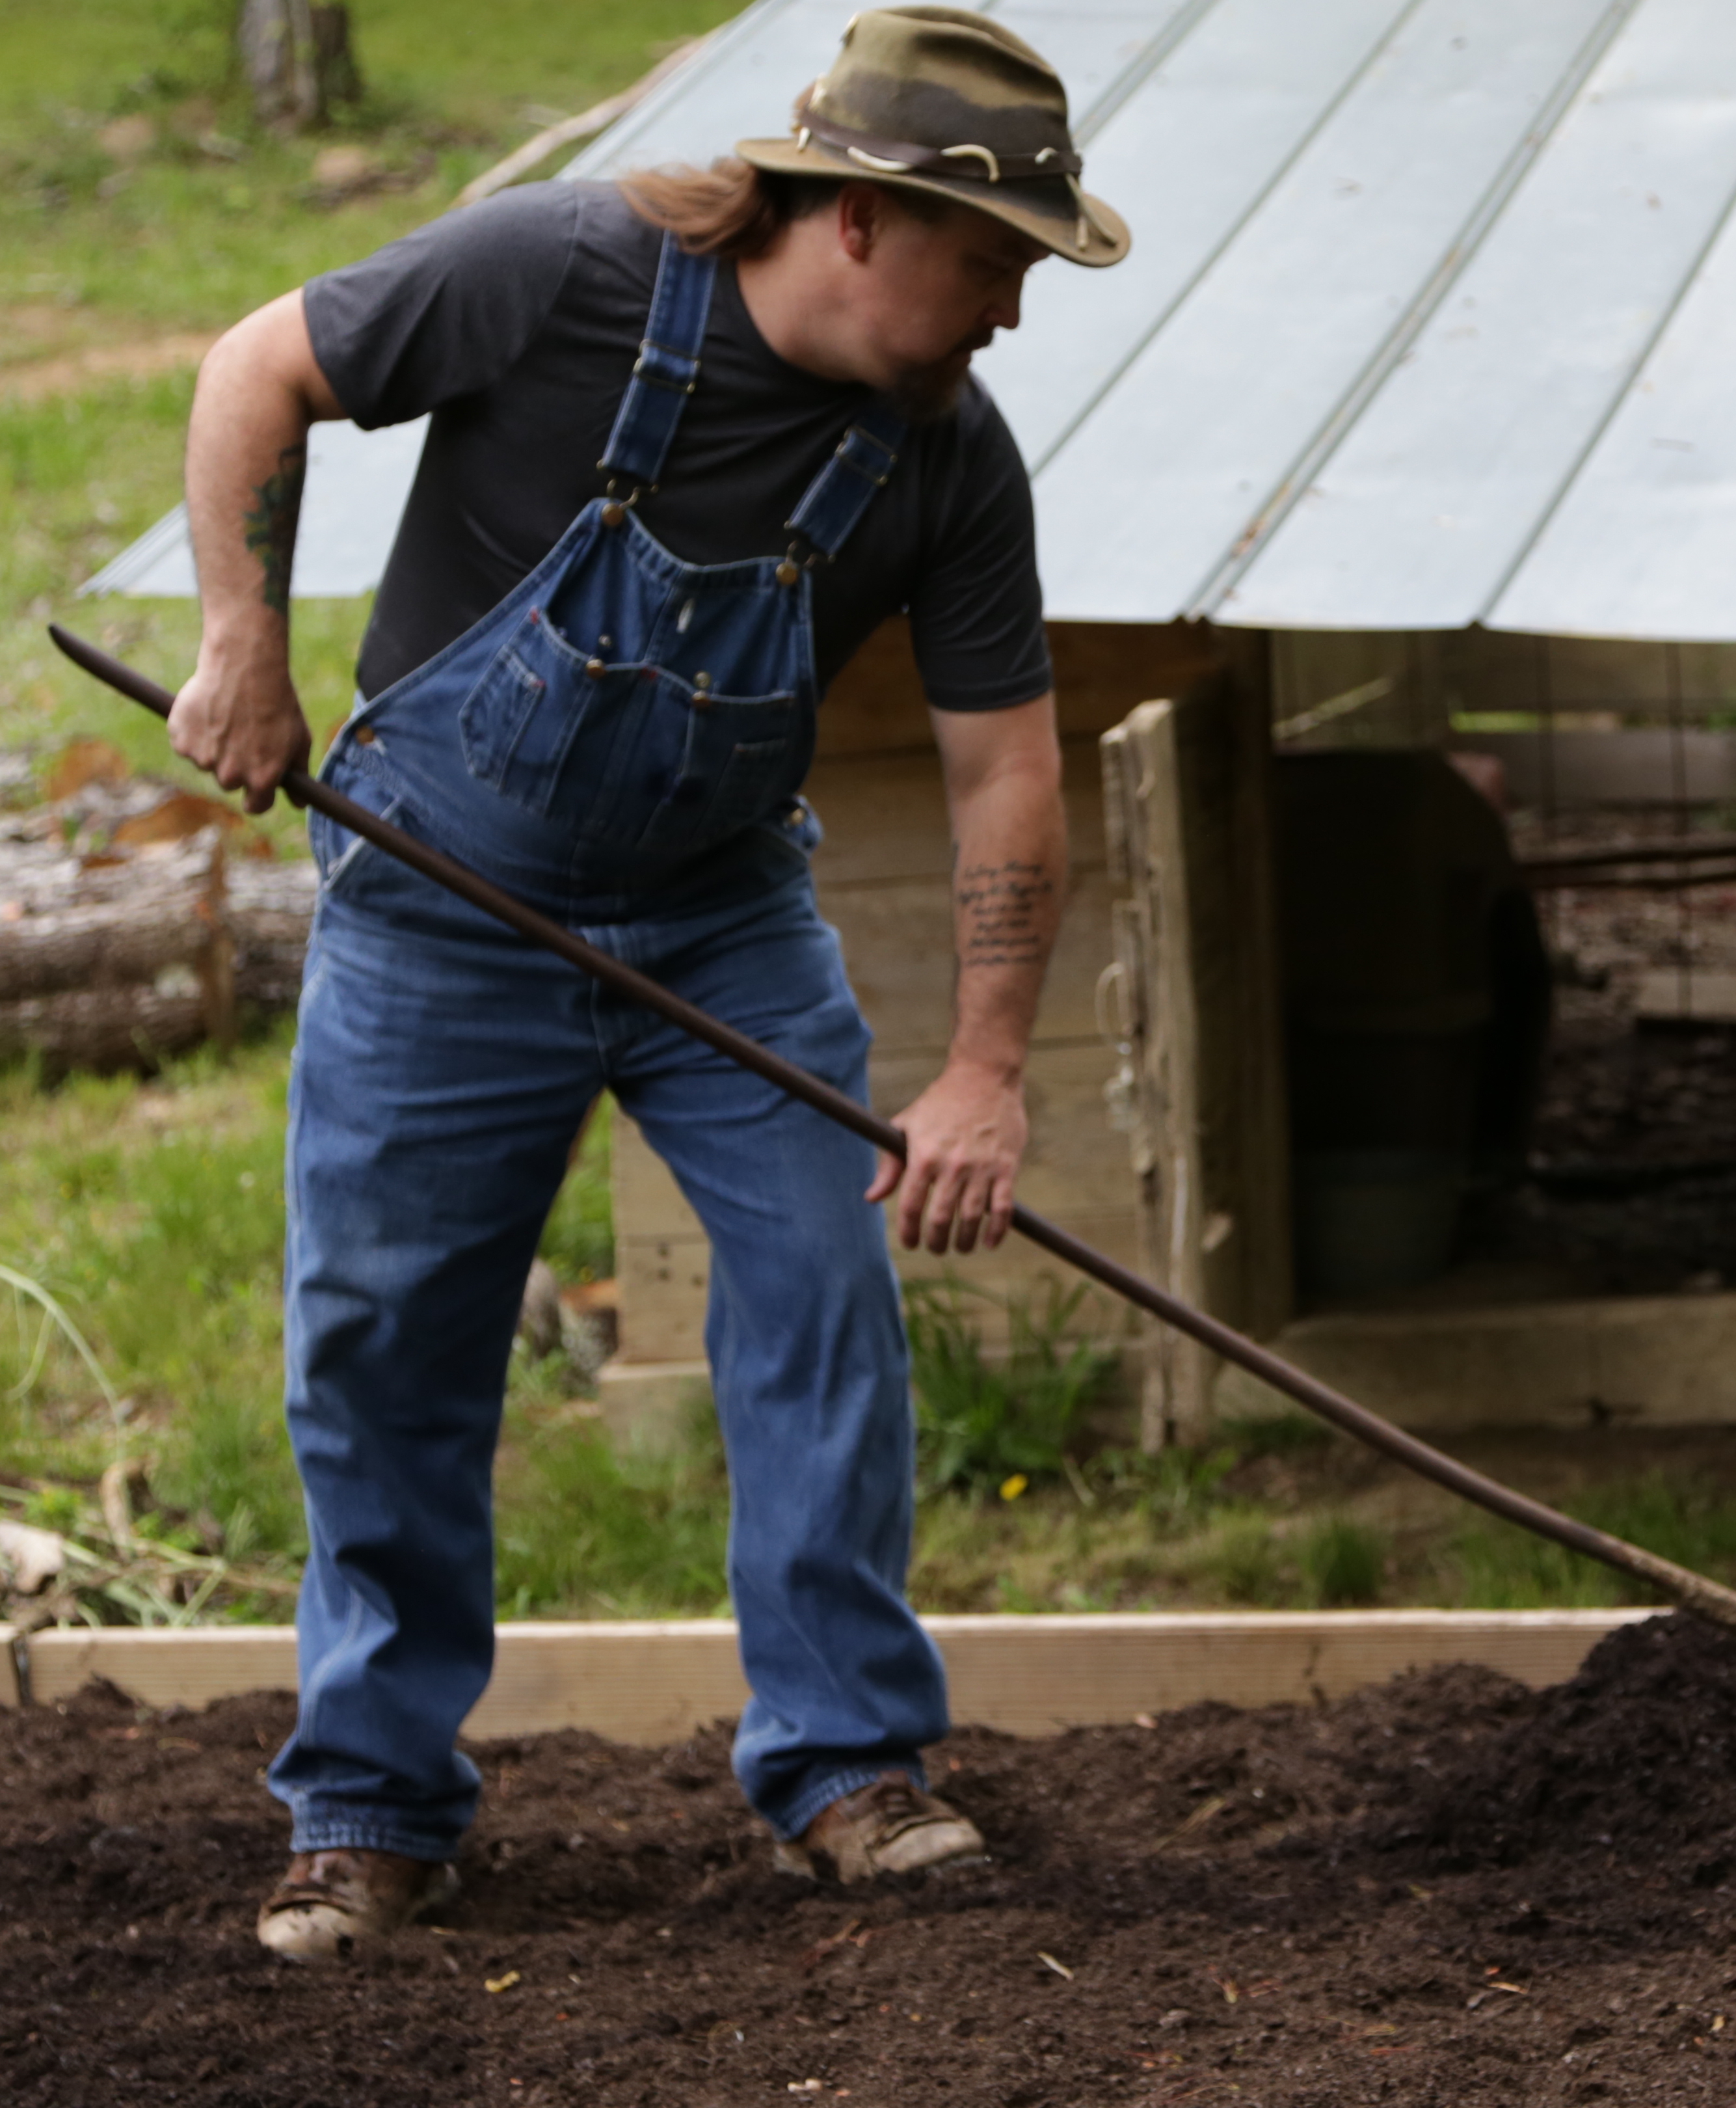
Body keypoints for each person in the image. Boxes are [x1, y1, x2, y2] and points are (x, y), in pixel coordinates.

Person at [157, 7, 1130, 1963]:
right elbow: (258, 365)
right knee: (384, 1350)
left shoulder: (946, 458)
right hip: (448, 920)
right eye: (995, 261)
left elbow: (1005, 761)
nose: (1012, 315)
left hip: (721, 929)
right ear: (861, 217)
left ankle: (849, 1764)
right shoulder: (555, 277)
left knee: (820, 1300)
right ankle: (370, 1805)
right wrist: (242, 644)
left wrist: (986, 1075)